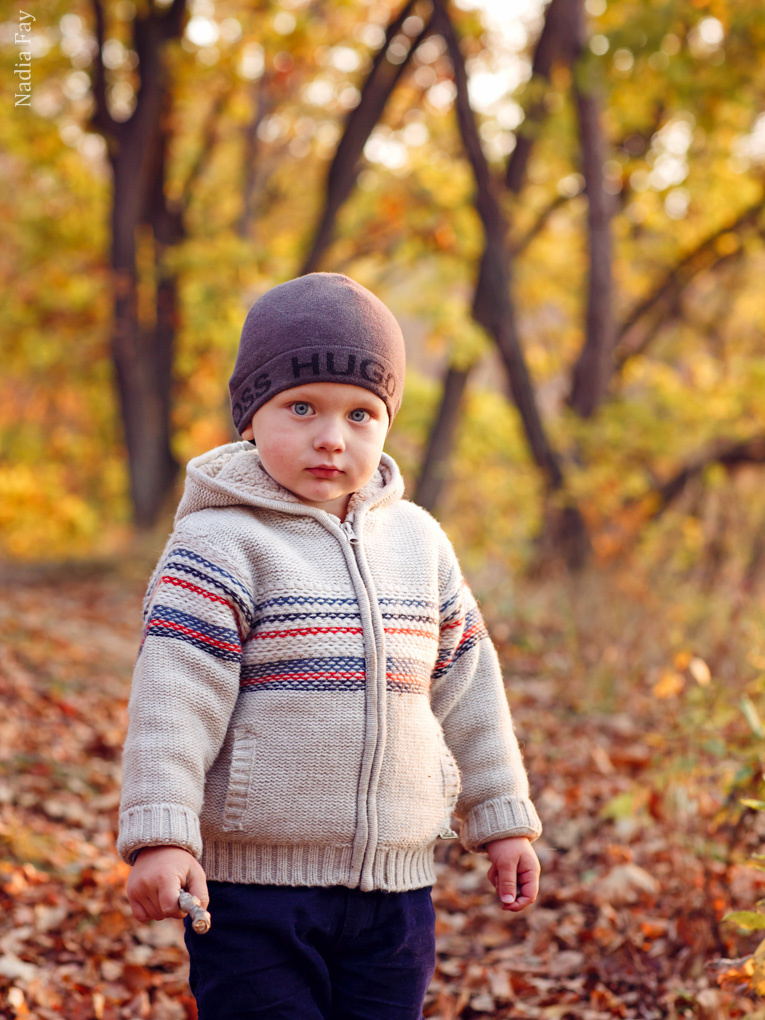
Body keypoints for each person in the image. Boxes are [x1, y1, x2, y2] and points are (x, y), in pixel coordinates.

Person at [118, 273, 542, 1020]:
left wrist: (501, 817)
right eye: (301, 407)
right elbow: (173, 699)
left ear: (386, 423)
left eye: (360, 414)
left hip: (396, 894)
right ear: (251, 416)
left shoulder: (419, 543)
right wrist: (162, 834)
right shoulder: (218, 545)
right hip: (253, 895)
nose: (330, 437)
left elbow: (469, 684)